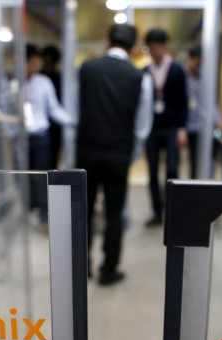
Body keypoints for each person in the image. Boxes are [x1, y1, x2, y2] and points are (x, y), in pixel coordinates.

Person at [77, 23, 153, 286]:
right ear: (133, 48)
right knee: (114, 214)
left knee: (82, 213)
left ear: (107, 40)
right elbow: (143, 126)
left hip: (87, 152)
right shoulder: (139, 77)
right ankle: (108, 269)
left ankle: (81, 266)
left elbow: (75, 111)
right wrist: (131, 154)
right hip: (118, 155)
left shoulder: (87, 70)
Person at [143, 28, 188, 227]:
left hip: (172, 127)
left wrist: (182, 128)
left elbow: (183, 101)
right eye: (151, 48)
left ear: (164, 46)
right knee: (152, 171)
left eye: (157, 47)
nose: (154, 52)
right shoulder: (146, 71)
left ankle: (172, 212)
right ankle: (156, 212)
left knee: (172, 168)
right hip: (152, 128)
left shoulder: (177, 70)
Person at [25, 43, 73, 224]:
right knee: (23, 176)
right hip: (21, 138)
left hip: (41, 135)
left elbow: (54, 109)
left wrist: (73, 122)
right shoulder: (13, 82)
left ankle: (44, 213)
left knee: (42, 176)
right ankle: (29, 206)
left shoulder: (43, 82)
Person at [185, 44, 222, 179]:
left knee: (208, 160)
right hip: (190, 126)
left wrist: (217, 119)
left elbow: (211, 101)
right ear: (189, 59)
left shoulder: (206, 78)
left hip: (205, 126)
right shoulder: (183, 78)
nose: (197, 66)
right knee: (194, 162)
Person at [41, 44, 64, 168]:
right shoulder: (40, 77)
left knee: (52, 159)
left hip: (55, 125)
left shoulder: (60, 78)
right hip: (46, 126)